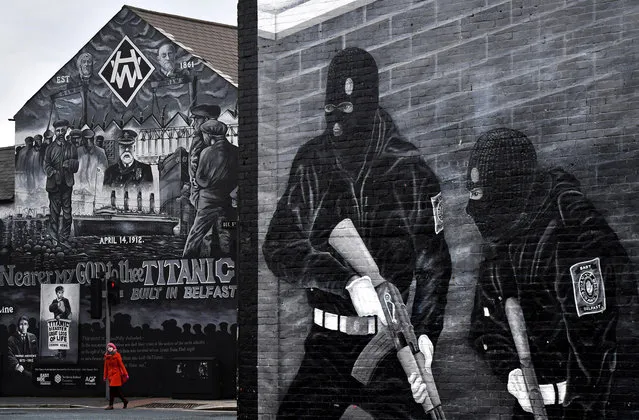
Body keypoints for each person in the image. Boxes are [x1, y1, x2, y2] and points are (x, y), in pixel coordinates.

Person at [262, 47, 452, 419]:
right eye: (329, 109)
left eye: (347, 110)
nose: (335, 123)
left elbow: (434, 263)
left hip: (391, 340)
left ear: (368, 104)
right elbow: (279, 246)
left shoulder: (410, 170)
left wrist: (425, 338)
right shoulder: (313, 161)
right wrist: (347, 282)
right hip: (326, 347)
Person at [466, 128, 632, 419]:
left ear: (506, 190)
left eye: (480, 194)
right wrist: (510, 371)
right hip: (535, 403)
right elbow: (483, 326)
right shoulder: (502, 243)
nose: (471, 209)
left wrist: (559, 394)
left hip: (594, 406)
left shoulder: (573, 235)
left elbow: (597, 341)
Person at [182, 119, 237, 257]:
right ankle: (228, 263)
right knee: (226, 235)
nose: (204, 138)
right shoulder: (236, 151)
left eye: (204, 134)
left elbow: (201, 179)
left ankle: (187, 262)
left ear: (210, 135)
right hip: (226, 201)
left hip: (208, 202)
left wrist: (196, 183)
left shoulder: (207, 152)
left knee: (196, 235)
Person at [44, 119, 79, 243]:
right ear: (55, 132)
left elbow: (76, 165)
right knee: (54, 214)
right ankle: (54, 239)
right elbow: (46, 166)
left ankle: (64, 238)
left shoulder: (72, 147)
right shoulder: (49, 148)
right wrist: (53, 172)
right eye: (58, 130)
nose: (60, 133)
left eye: (62, 130)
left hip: (67, 185)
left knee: (67, 213)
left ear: (65, 131)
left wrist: (69, 164)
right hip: (54, 186)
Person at [187, 103, 220, 208]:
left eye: (196, 120)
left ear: (205, 120)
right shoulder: (200, 140)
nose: (193, 124)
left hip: (205, 198)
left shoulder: (207, 142)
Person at [7, 315, 38, 381]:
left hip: (30, 368)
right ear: (18, 326)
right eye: (21, 324)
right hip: (18, 370)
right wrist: (16, 365)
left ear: (28, 326)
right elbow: (9, 354)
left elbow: (35, 352)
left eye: (25, 324)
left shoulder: (33, 337)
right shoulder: (11, 339)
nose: (23, 327)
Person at [103, 342, 129, 410]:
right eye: (108, 347)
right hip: (110, 375)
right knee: (118, 392)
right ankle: (125, 401)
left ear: (114, 348)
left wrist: (126, 374)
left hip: (116, 375)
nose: (109, 348)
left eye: (111, 347)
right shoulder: (106, 356)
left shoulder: (117, 355)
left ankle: (111, 405)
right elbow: (106, 367)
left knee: (111, 390)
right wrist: (105, 376)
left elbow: (121, 365)